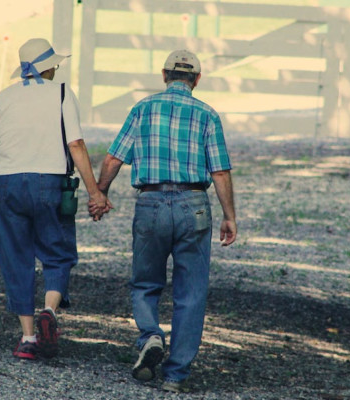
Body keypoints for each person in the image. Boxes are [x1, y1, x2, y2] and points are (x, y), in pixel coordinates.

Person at [95, 50, 237, 392]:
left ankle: (150, 336)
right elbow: (219, 170)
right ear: (197, 80)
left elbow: (114, 158)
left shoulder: (142, 109)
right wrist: (230, 216)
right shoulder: (208, 115)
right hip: (194, 204)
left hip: (151, 202)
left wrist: (100, 193)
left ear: (164, 75)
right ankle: (175, 375)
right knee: (192, 292)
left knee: (145, 282)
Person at [0, 38, 107, 361]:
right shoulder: (61, 94)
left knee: (16, 259)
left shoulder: (4, 98)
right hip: (50, 182)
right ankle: (50, 310)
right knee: (57, 253)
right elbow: (76, 145)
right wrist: (94, 192)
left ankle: (28, 337)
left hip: (8, 185)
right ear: (49, 66)